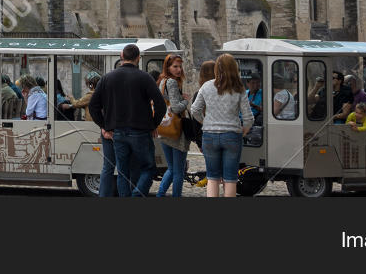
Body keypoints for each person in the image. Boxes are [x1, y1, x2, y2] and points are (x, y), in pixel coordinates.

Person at [87, 44, 167, 198]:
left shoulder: (107, 78)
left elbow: (93, 106)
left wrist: (104, 125)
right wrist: (153, 124)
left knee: (122, 172)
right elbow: (160, 105)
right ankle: (136, 194)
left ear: (122, 56)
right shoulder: (145, 77)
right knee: (148, 168)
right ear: (138, 58)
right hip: (140, 131)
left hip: (117, 132)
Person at [189, 53, 255, 199]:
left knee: (212, 177)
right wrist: (243, 131)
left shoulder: (206, 86)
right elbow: (248, 117)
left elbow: (194, 110)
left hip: (209, 135)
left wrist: (205, 122)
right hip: (232, 135)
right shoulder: (239, 88)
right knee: (230, 178)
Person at [156, 53, 189, 198]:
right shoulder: (172, 83)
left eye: (180, 66)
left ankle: (160, 194)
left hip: (164, 129)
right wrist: (186, 100)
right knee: (178, 171)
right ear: (168, 67)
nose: (179, 70)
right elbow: (176, 108)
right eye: (175, 66)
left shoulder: (162, 81)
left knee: (171, 168)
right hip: (175, 131)